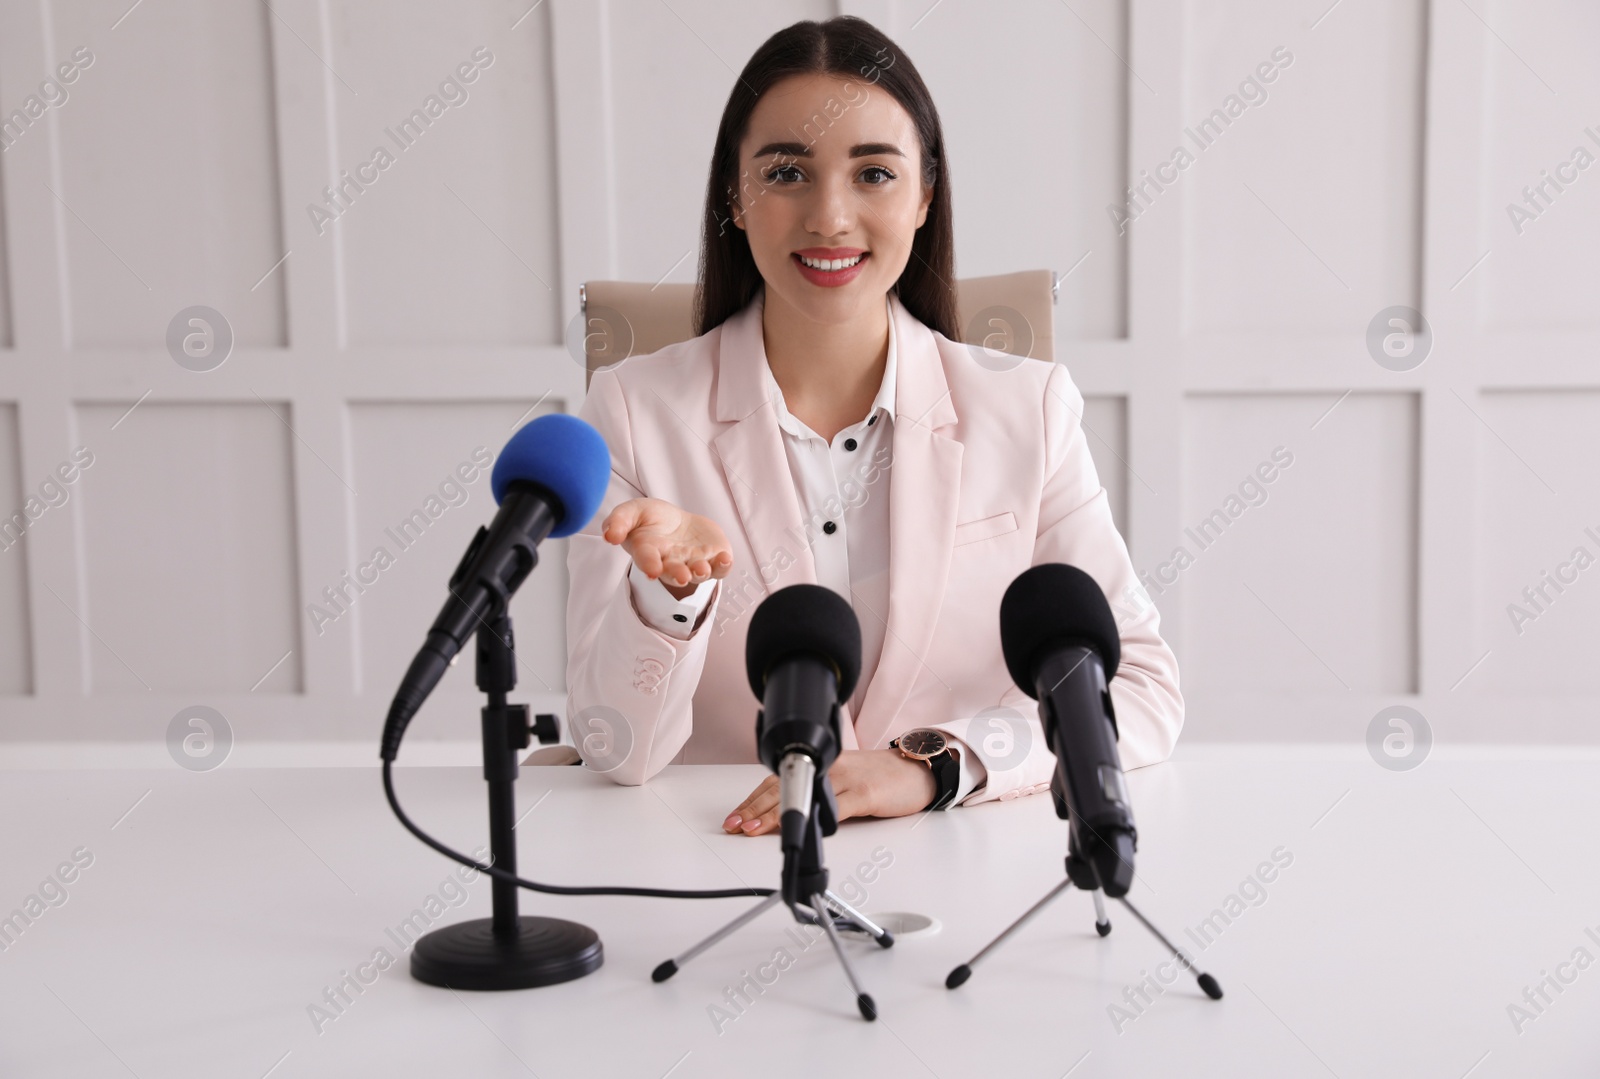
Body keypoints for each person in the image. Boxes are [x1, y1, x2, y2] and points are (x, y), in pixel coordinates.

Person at [561, 15, 1182, 837]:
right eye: (786, 172)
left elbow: (1139, 689)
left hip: (964, 874)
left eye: (874, 174)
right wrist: (667, 594)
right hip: (721, 870)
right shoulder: (635, 412)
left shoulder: (1027, 407)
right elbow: (614, 749)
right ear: (734, 200)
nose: (829, 217)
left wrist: (937, 763)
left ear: (926, 195)